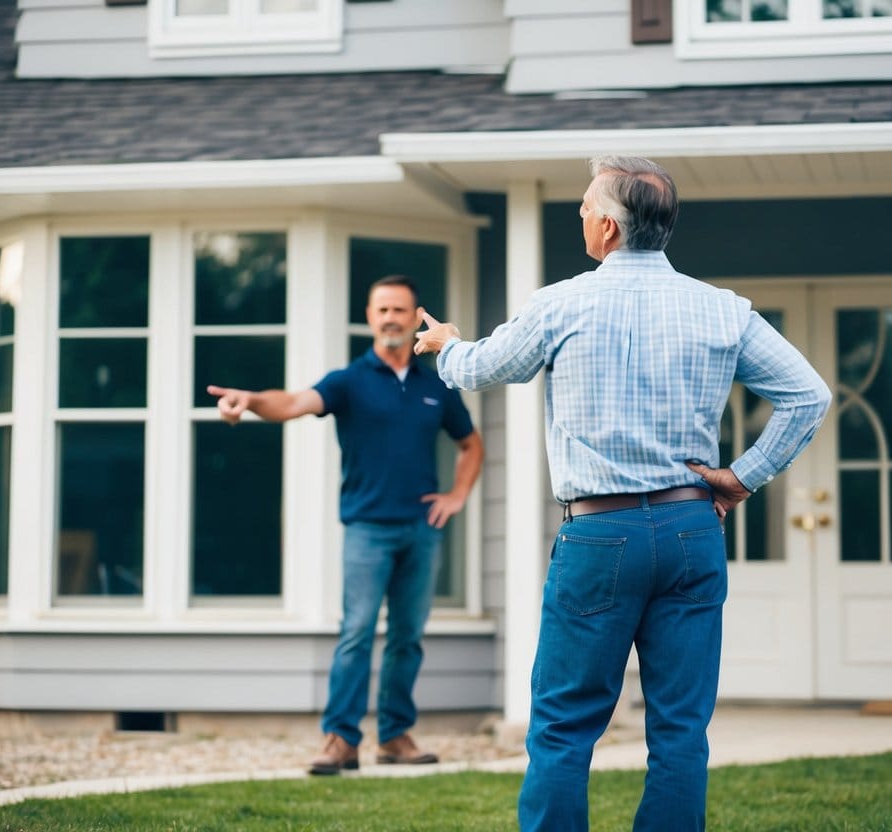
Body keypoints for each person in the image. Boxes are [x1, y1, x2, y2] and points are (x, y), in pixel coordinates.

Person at [414, 156, 831, 831]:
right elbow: (807, 396)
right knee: (679, 730)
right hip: (691, 529)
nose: (579, 215)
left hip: (599, 538)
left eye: (584, 207)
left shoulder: (562, 302)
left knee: (563, 726)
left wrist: (447, 343)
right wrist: (742, 475)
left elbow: (484, 367)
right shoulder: (721, 309)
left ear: (607, 226)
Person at [208, 274, 484, 774]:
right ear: (369, 317)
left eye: (399, 310)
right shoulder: (349, 381)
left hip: (421, 532)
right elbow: (293, 403)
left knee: (408, 637)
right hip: (367, 530)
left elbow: (471, 444)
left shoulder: (435, 384)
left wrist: (457, 494)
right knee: (356, 631)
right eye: (381, 310)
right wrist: (250, 400)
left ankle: (395, 736)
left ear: (414, 314)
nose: (390, 319)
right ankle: (340, 740)